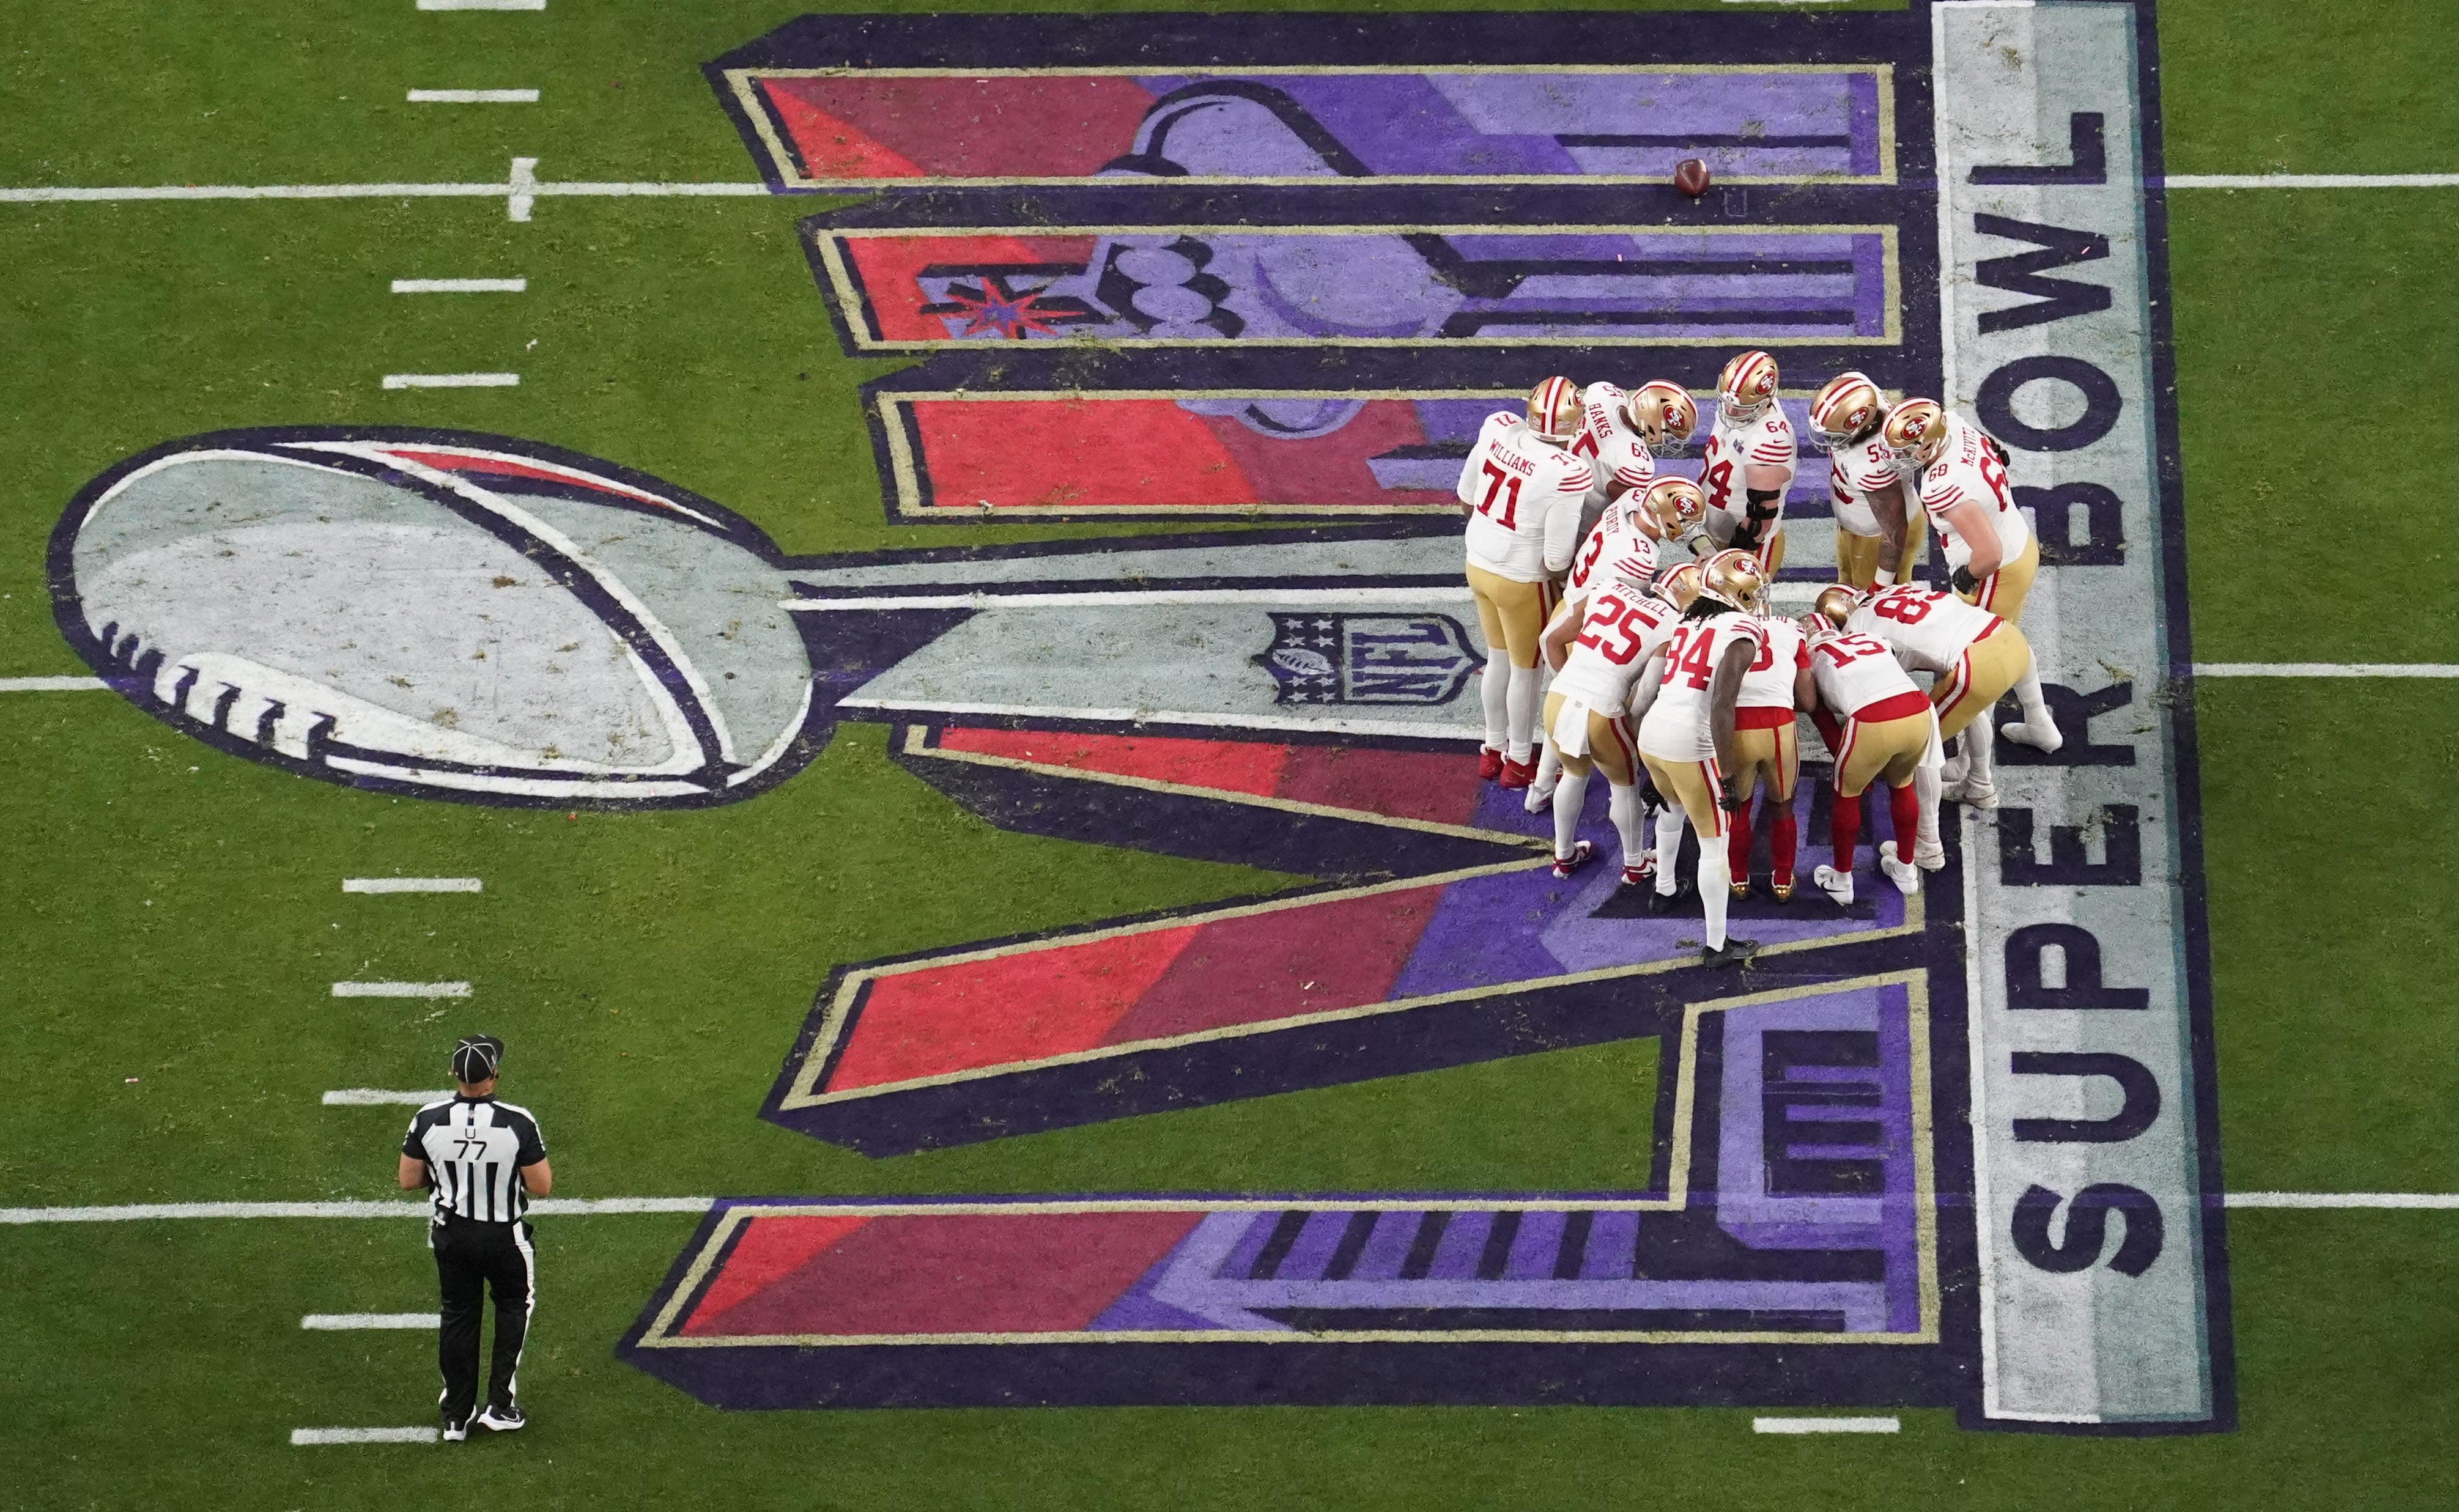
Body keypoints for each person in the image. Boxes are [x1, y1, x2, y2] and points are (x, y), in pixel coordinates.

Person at [399, 1035, 552, 1442]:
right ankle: (499, 1406)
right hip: (504, 1236)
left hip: (452, 1236)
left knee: (458, 1315)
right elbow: (541, 1185)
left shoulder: (428, 1118)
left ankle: (456, 1415)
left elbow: (408, 1178)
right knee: (513, 1308)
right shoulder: (517, 1120)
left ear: (454, 1073)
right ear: (494, 1074)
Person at [1458, 376, 1597, 787]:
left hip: (1477, 560)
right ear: (1572, 423)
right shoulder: (1566, 471)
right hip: (1520, 578)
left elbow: (1466, 496)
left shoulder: (1497, 428)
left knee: (1496, 658)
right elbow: (1555, 559)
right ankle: (1518, 759)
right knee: (1526, 670)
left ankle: (1491, 748)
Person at [1635, 548, 1767, 966]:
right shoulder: (1742, 630)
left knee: (1672, 810)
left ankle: (1665, 889)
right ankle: (1716, 945)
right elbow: (1722, 707)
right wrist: (1727, 774)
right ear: (1741, 591)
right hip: (1688, 740)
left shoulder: (1689, 620)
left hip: (1654, 731)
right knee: (1715, 843)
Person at [1841, 581, 2062, 811]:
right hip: (2006, 635)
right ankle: (2038, 728)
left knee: (1922, 741)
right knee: (1968, 708)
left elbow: (1881, 686)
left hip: (1976, 665)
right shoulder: (1900, 590)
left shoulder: (1856, 629)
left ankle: (1928, 842)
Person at [1537, 534, 1681, 884]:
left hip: (1559, 695)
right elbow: (1646, 693)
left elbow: (1549, 640)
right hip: (1602, 707)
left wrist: (1574, 683)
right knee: (1625, 784)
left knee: (1574, 773)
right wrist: (1629, 723)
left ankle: (1564, 855)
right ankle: (1635, 865)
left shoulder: (1607, 588)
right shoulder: (1673, 625)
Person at [1799, 590, 1945, 905]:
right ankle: (1907, 871)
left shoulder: (1810, 659)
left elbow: (1824, 722)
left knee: (1846, 794)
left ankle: (1842, 880)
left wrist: (1856, 774)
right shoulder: (1870, 638)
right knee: (1903, 785)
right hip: (1918, 708)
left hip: (1872, 717)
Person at [1884, 399, 2039, 622]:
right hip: (2018, 539)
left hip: (1997, 572)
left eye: (1907, 451)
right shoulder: (1954, 426)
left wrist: (1967, 577)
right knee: (2006, 632)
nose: (1900, 457)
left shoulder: (1943, 485)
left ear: (1930, 445)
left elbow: (1991, 554)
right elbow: (1995, 448)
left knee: (1982, 646)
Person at [1725, 605, 1813, 902]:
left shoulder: (1722, 626)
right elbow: (1809, 701)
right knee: (1783, 808)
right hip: (1778, 725)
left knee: (1738, 808)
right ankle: (1782, 880)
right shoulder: (1791, 629)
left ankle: (1737, 877)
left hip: (1738, 723)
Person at [1807, 371, 1921, 590]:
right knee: (1846, 588)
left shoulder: (1872, 464)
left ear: (1863, 428)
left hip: (1879, 537)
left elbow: (1895, 531)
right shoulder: (1860, 387)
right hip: (1857, 525)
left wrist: (1881, 584)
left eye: (1835, 436)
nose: (1828, 441)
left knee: (1874, 608)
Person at [1697, 351, 1797, 574]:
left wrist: (1730, 561)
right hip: (1717, 533)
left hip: (1748, 546)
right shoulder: (1737, 405)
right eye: (1727, 402)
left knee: (1740, 606)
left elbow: (1759, 520)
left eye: (1741, 408)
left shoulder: (1770, 438)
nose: (1731, 411)